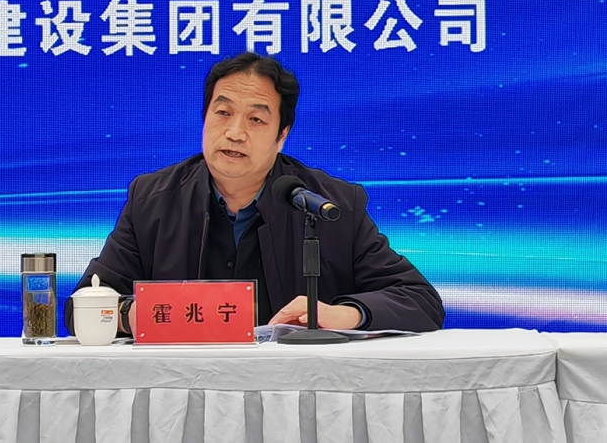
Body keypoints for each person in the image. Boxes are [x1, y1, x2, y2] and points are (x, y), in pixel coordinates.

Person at [64, 52, 444, 336]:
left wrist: (342, 314)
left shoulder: (332, 205)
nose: (235, 133)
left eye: (256, 119)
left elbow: (420, 301)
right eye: (223, 113)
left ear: (282, 136)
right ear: (204, 119)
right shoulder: (153, 200)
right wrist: (132, 314)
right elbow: (81, 306)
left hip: (294, 389)